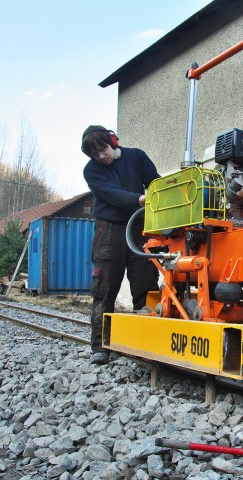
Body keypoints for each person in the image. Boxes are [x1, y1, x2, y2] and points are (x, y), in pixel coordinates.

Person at [81, 125, 160, 365]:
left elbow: (155, 183)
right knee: (104, 289)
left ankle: (145, 345)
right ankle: (100, 347)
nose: (101, 156)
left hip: (140, 229)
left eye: (102, 148)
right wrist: (139, 199)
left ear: (113, 141)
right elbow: (112, 193)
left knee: (146, 287)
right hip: (109, 230)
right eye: (95, 153)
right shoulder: (92, 170)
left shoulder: (137, 156)